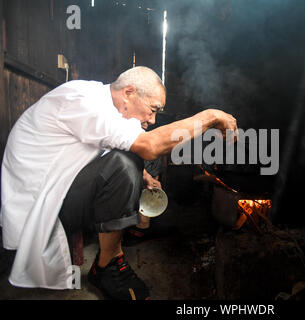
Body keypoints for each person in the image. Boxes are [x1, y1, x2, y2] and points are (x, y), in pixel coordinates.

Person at [0, 66, 237, 299]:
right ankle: (107, 266)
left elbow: (95, 147)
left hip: (58, 189)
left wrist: (144, 177)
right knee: (125, 164)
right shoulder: (85, 101)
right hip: (40, 207)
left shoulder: (105, 103)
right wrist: (209, 117)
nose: (152, 119)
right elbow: (150, 147)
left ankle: (133, 228)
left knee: (132, 161)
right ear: (129, 92)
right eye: (153, 109)